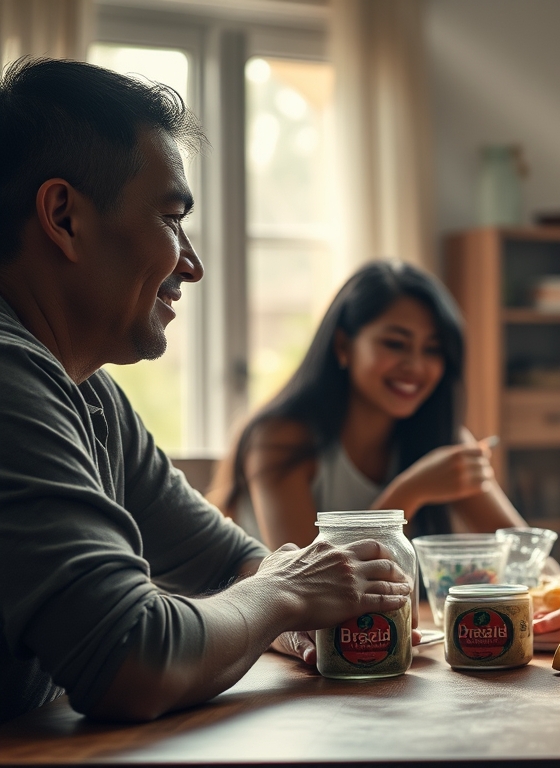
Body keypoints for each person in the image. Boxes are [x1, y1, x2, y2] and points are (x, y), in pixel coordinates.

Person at [0, 58, 410, 723]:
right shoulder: (9, 377)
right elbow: (132, 660)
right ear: (64, 216)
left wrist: (282, 599)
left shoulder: (90, 394)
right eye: (170, 219)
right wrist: (286, 595)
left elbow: (228, 563)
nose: (190, 264)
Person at [212, 260, 526, 549]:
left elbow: (526, 553)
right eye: (395, 344)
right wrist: (409, 492)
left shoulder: (441, 438)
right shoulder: (279, 438)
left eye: (433, 350)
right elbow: (310, 586)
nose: (416, 367)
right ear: (343, 345)